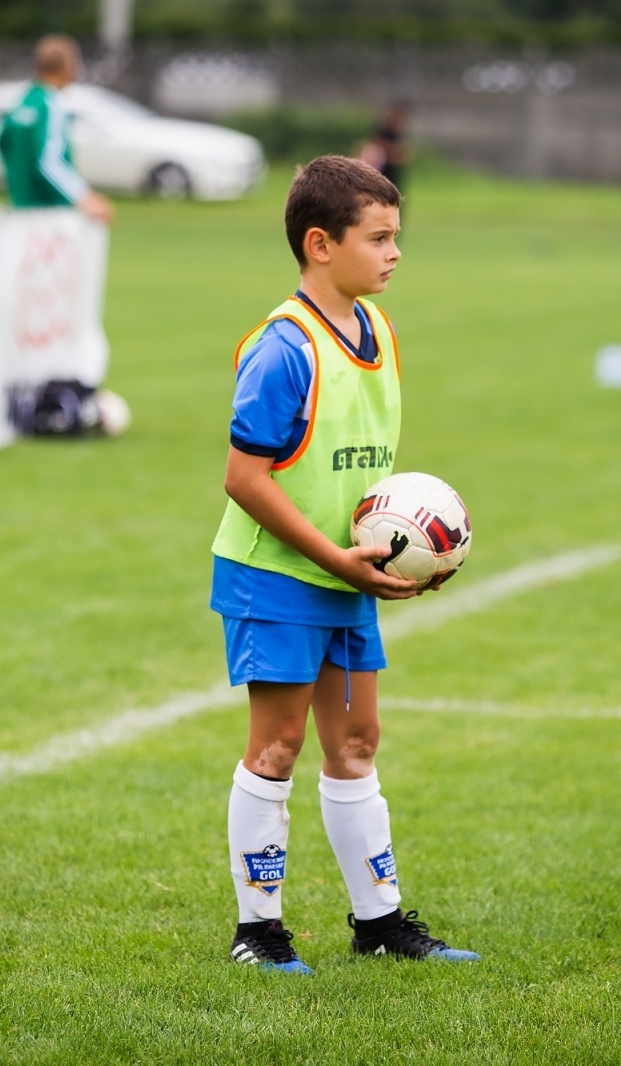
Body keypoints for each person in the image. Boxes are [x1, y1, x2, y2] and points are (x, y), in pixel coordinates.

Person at [210, 156, 479, 973]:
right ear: (321, 244)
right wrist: (336, 557)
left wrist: (416, 551)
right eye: (380, 237)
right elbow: (244, 478)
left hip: (344, 574)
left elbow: (359, 476)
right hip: (280, 574)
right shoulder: (284, 348)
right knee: (278, 746)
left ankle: (379, 922)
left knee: (357, 742)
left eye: (398, 236)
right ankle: (257, 932)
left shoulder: (378, 330)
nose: (396, 253)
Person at [0, 34, 113, 224]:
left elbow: (3, 144)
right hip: (49, 212)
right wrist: (83, 196)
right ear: (67, 65)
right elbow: (49, 160)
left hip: (20, 207)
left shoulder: (23, 103)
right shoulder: (51, 104)